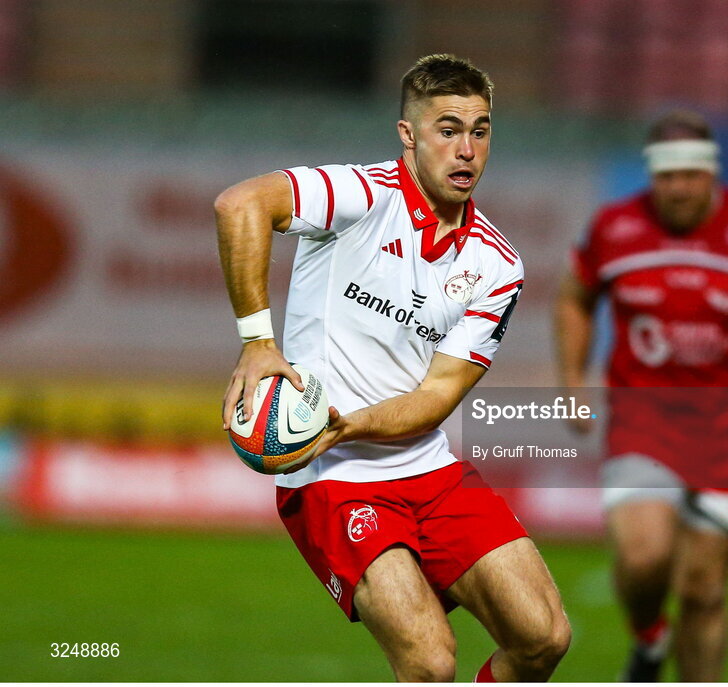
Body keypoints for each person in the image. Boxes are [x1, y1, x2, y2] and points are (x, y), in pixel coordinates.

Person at [216, 54, 571, 682]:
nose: (466, 149)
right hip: (331, 476)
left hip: (425, 467)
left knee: (543, 637)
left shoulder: (497, 265)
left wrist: (347, 423)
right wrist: (256, 342)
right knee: (430, 661)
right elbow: (240, 204)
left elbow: (439, 392)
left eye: (480, 130)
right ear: (408, 135)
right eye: (447, 128)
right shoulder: (362, 195)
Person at [554, 110, 728, 682]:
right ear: (652, 175)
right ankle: (650, 637)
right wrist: (574, 381)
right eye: (665, 176)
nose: (677, 187)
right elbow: (574, 298)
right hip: (642, 419)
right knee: (644, 555)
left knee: (704, 589)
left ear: (711, 173)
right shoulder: (613, 227)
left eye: (689, 174)